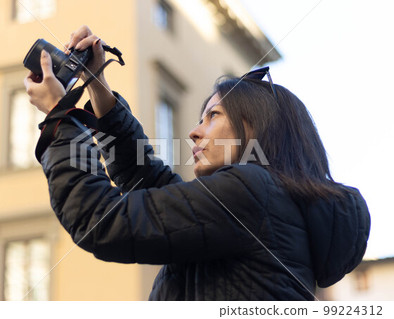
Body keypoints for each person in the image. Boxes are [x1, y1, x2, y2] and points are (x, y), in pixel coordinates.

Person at [24, 25, 370, 300]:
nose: (193, 132)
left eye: (212, 116)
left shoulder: (252, 194)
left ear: (254, 126)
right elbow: (143, 177)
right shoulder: (266, 205)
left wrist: (62, 119)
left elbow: (102, 221)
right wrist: (98, 87)